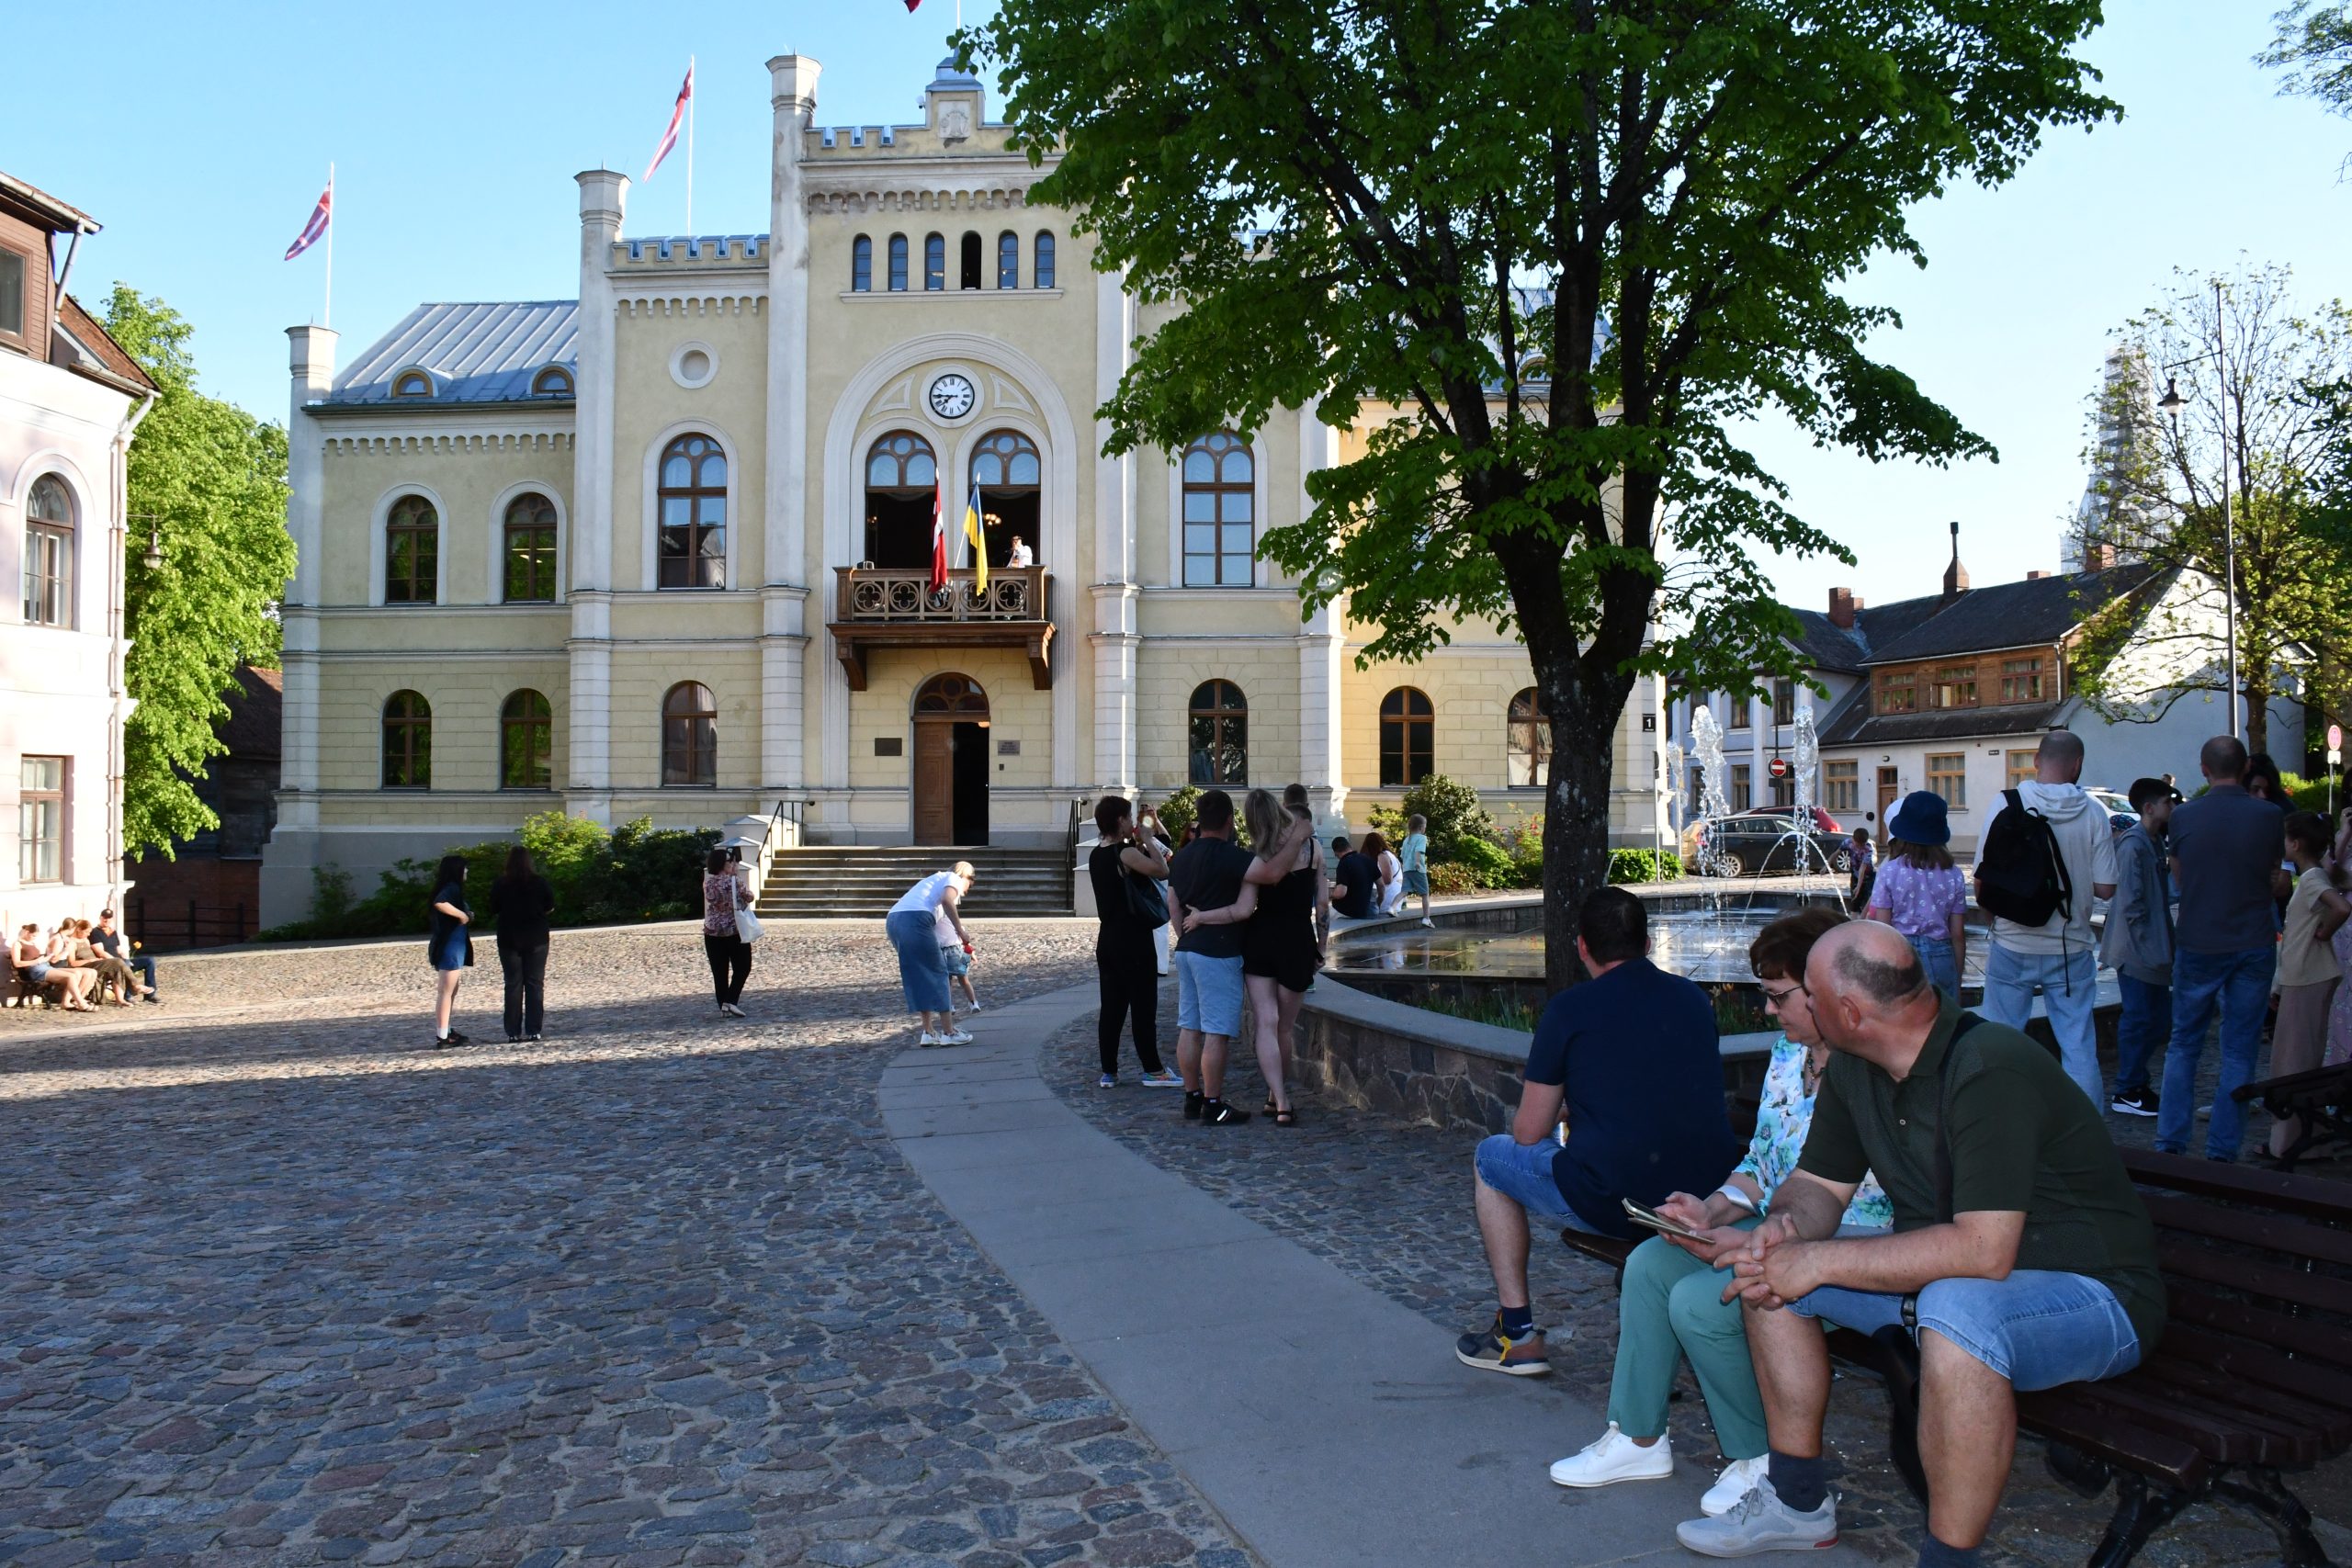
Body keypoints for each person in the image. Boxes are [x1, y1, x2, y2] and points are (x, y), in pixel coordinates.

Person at [1682, 922, 2163, 1563]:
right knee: (1771, 1264)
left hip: (2098, 1296)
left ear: (1849, 1012)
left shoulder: (1988, 1066)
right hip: (1958, 1283)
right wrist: (1783, 1228)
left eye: (1810, 996)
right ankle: (1796, 1502)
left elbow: (1983, 1250)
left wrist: (1817, 1258)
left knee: (1955, 1309)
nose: (1790, 1009)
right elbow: (1817, 1185)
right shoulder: (1857, 1065)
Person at [1547, 908, 1890, 1516]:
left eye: (1779, 996)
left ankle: (1764, 1458)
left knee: (1702, 1301)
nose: (1769, 1010)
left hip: (1853, 1242)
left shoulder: (1870, 1069)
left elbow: (1860, 1199)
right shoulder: (1789, 1055)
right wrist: (1709, 1210)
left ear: (1826, 992)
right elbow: (1760, 1163)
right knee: (1650, 1263)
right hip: (1780, 1226)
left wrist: (1754, 1236)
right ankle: (1638, 1437)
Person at [1454, 886, 1735, 1376]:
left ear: (1582, 946)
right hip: (1707, 1195)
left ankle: (1517, 1334)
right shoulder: (1694, 999)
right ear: (1647, 943)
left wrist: (1565, 1109)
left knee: (1491, 1159)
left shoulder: (1570, 1010)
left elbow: (1529, 1132)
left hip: (1618, 1198)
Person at [2157, 736, 2287, 1159]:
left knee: (2184, 1043)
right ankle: (2223, 1150)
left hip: (2200, 939)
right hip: (2252, 939)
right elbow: (2273, 874)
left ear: (2204, 768)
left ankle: (2171, 1141)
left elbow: (2179, 878)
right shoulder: (2269, 816)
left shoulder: (2184, 816)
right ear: (2246, 767)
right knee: (2240, 1049)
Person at [1972, 729, 2116, 1108]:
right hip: (2071, 947)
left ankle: (1998, 1121)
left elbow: (1981, 879)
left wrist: (1995, 922)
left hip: (2012, 942)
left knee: (1999, 1042)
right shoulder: (2094, 812)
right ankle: (2087, 1129)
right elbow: (2106, 888)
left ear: (2036, 760)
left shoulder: (2006, 803)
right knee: (2077, 1045)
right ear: (2077, 765)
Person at [1184, 789, 1318, 1122]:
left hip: (1260, 941)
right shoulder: (1312, 849)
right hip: (1298, 940)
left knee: (1266, 1023)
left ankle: (1280, 1100)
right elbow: (1324, 904)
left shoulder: (1255, 856)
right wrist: (1324, 947)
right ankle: (1276, 1098)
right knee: (1284, 1028)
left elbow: (1242, 910)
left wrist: (1201, 917)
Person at [1167, 787, 1255, 1125]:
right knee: (1216, 1031)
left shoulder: (1182, 856)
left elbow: (1172, 904)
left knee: (1189, 1026)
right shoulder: (1236, 857)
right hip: (1219, 951)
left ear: (1200, 820)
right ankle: (1214, 1103)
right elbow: (1254, 895)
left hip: (1187, 948)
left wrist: (1184, 934)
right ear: (1230, 820)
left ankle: (1192, 1097)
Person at [1089, 795, 1182, 1088]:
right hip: (1133, 938)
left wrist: (1147, 834)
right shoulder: (1125, 853)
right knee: (1143, 1005)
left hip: (1108, 939)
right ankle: (1153, 1070)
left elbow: (1161, 852)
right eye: (1129, 817)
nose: (1132, 821)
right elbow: (1164, 870)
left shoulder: (1097, 854)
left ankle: (1109, 1071)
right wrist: (1147, 838)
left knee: (1112, 1007)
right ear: (1120, 820)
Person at [2271, 811, 2350, 1157]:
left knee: (2293, 1061)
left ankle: (2287, 1143)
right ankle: (2299, 1138)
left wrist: (2325, 933)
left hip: (2306, 976)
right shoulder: (2312, 876)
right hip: (2304, 974)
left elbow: (2341, 907)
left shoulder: (2312, 878)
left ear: (2296, 843)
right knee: (2300, 1056)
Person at [2099, 779, 2177, 1118]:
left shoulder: (2154, 841)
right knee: (2140, 1018)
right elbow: (2132, 904)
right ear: (2149, 808)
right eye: (2167, 802)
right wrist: (2150, 946)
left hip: (2149, 948)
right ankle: (2127, 1089)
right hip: (2137, 951)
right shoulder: (2134, 845)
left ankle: (2135, 1084)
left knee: (2155, 1019)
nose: (2172, 807)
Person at [1864, 794, 1966, 998]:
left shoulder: (1889, 871)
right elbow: (1958, 934)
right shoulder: (1954, 873)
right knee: (1944, 1014)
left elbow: (1883, 928)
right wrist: (1957, 977)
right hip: (1941, 955)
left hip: (1900, 954)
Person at [888, 862, 974, 1047]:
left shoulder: (932, 881)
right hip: (915, 920)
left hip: (894, 920)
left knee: (920, 974)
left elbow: (943, 926)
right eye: (971, 882)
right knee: (939, 973)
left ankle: (928, 1032)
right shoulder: (953, 878)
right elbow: (947, 900)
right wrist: (961, 931)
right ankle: (949, 1033)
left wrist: (964, 943)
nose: (967, 890)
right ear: (966, 876)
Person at [490, 845, 556, 1043]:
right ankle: (534, 1029)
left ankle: (513, 1031)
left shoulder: (501, 884)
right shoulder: (539, 882)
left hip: (509, 937)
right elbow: (550, 906)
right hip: (536, 937)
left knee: (513, 984)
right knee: (535, 983)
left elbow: (494, 908)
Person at [700, 846, 753, 1019]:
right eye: (730, 862)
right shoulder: (734, 882)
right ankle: (730, 1001)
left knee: (719, 972)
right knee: (743, 966)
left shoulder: (707, 883)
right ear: (723, 864)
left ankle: (723, 1007)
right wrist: (735, 876)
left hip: (712, 931)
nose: (733, 864)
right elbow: (749, 897)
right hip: (733, 930)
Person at [428, 853, 473, 1047]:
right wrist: (462, 915)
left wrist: (466, 914)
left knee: (451, 990)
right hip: (450, 947)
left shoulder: (452, 888)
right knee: (446, 991)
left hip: (453, 946)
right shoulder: (451, 888)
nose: (467, 871)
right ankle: (443, 1035)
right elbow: (440, 903)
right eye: (464, 868)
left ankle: (446, 1029)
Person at [11, 922, 96, 1010]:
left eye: (35, 936)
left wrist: (51, 956)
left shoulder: (32, 943)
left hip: (45, 966)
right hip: (36, 970)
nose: (34, 938)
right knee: (71, 976)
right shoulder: (17, 944)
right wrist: (37, 961)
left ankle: (66, 1002)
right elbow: (17, 963)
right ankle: (80, 1003)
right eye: (33, 936)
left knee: (77, 973)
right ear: (27, 932)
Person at [1139, 803, 1176, 976]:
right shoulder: (1139, 842)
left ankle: (1161, 966)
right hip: (1147, 886)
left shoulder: (1157, 841)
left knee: (1160, 928)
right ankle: (1153, 964)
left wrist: (1156, 817)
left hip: (1159, 886)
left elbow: (1166, 839)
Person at [93, 909, 158, 1003]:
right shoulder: (95, 932)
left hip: (120, 961)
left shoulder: (112, 932)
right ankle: (127, 995)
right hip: (108, 963)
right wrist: (117, 961)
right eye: (105, 918)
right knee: (123, 964)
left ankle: (150, 995)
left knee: (149, 961)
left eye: (109, 918)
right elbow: (100, 952)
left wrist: (126, 959)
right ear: (100, 918)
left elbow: (119, 950)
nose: (107, 920)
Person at [2331, 809, 2352, 1069]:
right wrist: (2345, 835)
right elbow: (2332, 876)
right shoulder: (2343, 837)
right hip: (2345, 930)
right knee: (2343, 998)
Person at [936, 897, 981, 1013]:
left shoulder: (954, 922)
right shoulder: (934, 920)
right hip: (942, 950)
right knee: (948, 981)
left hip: (957, 950)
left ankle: (973, 1003)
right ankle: (950, 1005)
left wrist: (971, 953)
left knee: (964, 978)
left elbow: (965, 939)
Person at [1330, 834, 1380, 920]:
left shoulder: (1344, 863)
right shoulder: (1368, 860)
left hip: (1345, 911)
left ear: (1336, 853)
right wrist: (1379, 903)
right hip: (1365, 910)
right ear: (1350, 847)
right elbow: (1381, 885)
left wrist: (1329, 894)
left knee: (1323, 912)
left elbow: (1340, 893)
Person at [1398, 813, 1433, 926]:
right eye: (1425, 826)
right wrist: (1417, 862)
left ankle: (1392, 907)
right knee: (1425, 894)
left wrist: (1404, 866)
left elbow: (1402, 856)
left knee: (1404, 891)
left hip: (1407, 869)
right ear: (1421, 827)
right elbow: (1418, 851)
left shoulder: (1406, 839)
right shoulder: (1422, 838)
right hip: (1418, 869)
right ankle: (1426, 918)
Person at [1367, 830, 1401, 917]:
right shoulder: (1389, 854)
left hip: (1388, 900)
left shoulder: (1382, 856)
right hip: (1394, 899)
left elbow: (1387, 880)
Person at [1848, 828, 1876, 908]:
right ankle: (1854, 914)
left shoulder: (1869, 848)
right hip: (1855, 876)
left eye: (1862, 845)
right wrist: (1826, 865)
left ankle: (1866, 914)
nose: (1859, 847)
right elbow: (1836, 853)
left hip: (1869, 877)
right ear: (1853, 839)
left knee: (1868, 901)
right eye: (1857, 845)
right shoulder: (1847, 843)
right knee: (1854, 902)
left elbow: (1862, 868)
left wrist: (1859, 886)